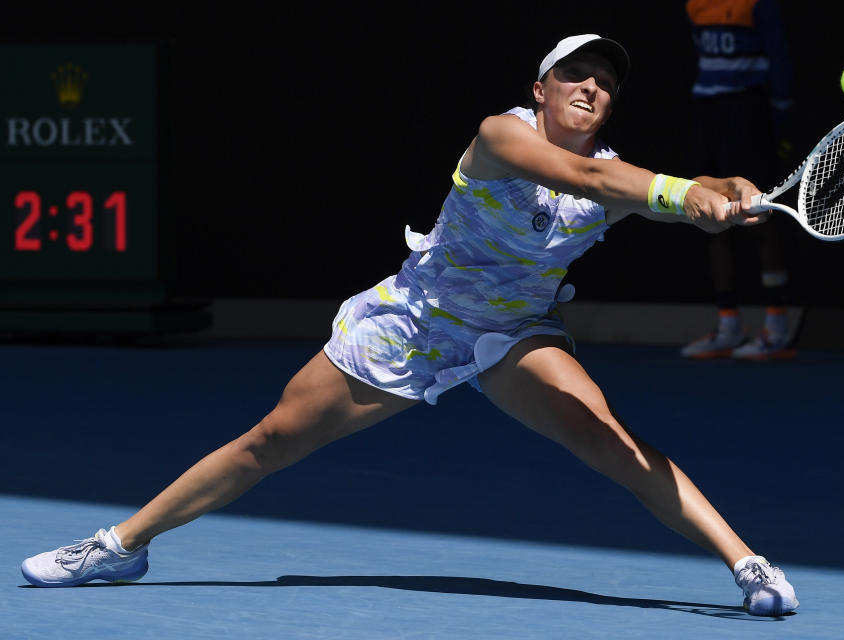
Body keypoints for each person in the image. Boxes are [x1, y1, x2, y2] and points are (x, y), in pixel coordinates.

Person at [20, 34, 798, 616]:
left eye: (605, 82)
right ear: (541, 86)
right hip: (418, 316)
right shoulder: (500, 134)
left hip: (515, 330)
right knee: (271, 440)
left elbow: (652, 187)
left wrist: (725, 192)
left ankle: (748, 565)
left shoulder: (622, 174)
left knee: (610, 437)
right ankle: (121, 547)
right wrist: (678, 192)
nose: (592, 88)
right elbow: (594, 177)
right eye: (576, 74)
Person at [680, 0, 797, 360]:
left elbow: (779, 58)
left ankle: (776, 328)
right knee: (707, 217)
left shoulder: (758, 4)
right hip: (706, 113)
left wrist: (779, 119)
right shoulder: (694, 4)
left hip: (747, 112)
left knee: (760, 219)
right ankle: (728, 327)